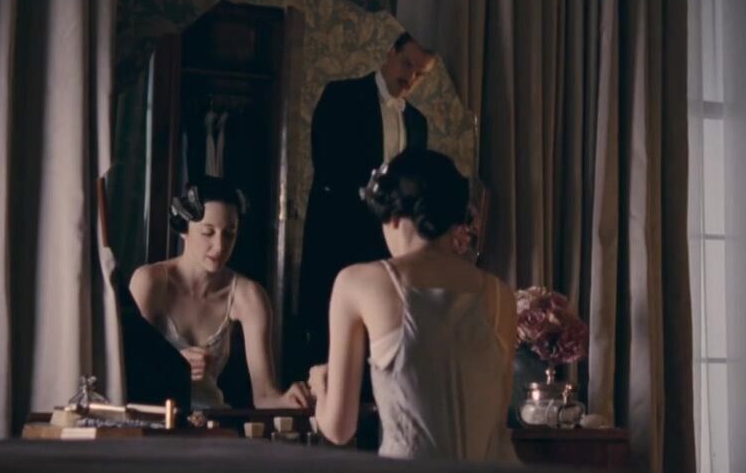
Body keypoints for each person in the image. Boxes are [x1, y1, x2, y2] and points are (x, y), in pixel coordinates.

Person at [308, 150, 519, 462]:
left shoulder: (358, 282)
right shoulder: (501, 295)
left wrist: (319, 385)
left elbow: (339, 429)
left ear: (392, 218)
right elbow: (496, 423)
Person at [294, 32, 438, 376]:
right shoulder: (341, 96)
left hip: (390, 248)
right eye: (407, 64)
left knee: (382, 340)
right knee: (333, 342)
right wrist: (375, 197)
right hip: (340, 237)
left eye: (420, 74)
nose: (410, 77)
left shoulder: (417, 123)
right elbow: (328, 165)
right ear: (390, 53)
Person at [130, 177, 313, 409]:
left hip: (212, 420)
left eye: (229, 234)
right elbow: (127, 371)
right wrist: (174, 366)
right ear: (184, 229)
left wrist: (290, 400)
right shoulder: (150, 282)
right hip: (154, 417)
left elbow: (265, 396)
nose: (219, 246)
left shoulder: (248, 296)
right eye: (208, 232)